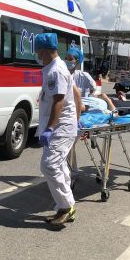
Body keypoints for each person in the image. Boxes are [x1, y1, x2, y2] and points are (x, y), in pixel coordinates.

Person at [35, 33, 78, 226]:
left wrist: (50, 128)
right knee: (58, 166)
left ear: (44, 50)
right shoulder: (51, 69)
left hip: (60, 128)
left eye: (38, 51)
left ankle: (67, 206)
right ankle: (64, 207)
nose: (37, 54)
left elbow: (59, 101)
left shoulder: (57, 71)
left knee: (49, 166)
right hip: (55, 127)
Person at [64, 47, 116, 112]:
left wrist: (93, 96)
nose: (67, 61)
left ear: (77, 61)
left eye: (70, 59)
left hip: (84, 106)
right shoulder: (62, 75)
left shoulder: (84, 76)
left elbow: (95, 90)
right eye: (66, 59)